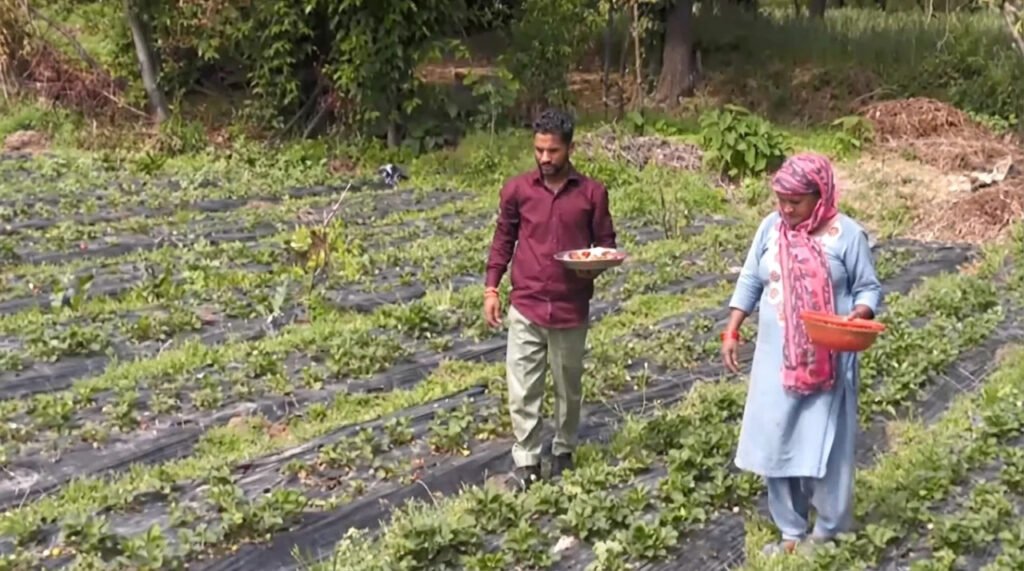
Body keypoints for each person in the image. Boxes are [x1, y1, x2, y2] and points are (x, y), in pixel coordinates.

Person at [721, 152, 882, 555]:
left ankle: (828, 529)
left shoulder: (847, 235)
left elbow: (869, 288)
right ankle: (791, 530)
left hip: (829, 358)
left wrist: (857, 313)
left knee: (826, 443)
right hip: (777, 359)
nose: (787, 210)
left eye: (796, 202)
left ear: (820, 195)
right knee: (776, 438)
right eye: (781, 201)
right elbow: (749, 278)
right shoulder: (770, 228)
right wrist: (733, 326)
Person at [483, 108, 618, 492]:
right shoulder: (518, 191)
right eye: (539, 150)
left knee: (567, 385)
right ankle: (526, 459)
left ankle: (563, 449)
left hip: (570, 305)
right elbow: (503, 239)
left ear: (570, 148)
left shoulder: (592, 193)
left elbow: (606, 245)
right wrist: (492, 287)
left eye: (553, 151)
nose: (544, 158)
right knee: (523, 386)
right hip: (526, 302)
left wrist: (593, 266)